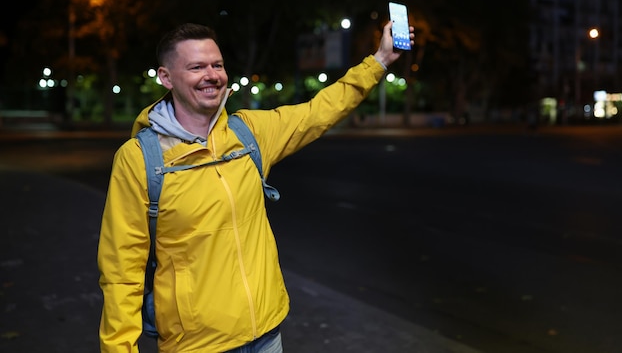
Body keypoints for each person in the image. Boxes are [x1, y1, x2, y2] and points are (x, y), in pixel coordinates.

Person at [97, 19, 414, 353]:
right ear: (166, 77)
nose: (211, 75)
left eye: (217, 65)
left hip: (266, 333)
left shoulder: (247, 134)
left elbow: (318, 112)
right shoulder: (139, 159)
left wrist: (378, 61)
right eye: (196, 67)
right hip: (198, 345)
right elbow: (121, 271)